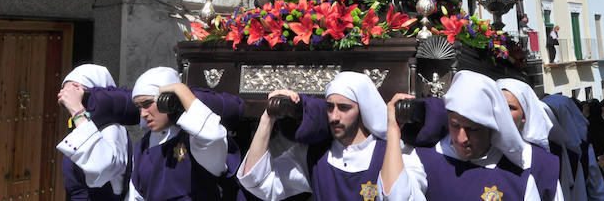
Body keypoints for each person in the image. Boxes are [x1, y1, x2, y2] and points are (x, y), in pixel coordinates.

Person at [238, 71, 409, 200]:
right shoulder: (315, 153)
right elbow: (257, 181)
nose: (334, 117)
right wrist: (268, 118)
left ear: (362, 109)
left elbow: (399, 196)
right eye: (329, 107)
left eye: (344, 107)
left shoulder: (391, 152)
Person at [379, 70, 542, 201]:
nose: (461, 138)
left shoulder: (518, 176)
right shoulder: (423, 159)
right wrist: (393, 130)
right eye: (455, 125)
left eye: (472, 129)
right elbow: (395, 196)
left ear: (491, 127)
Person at [129, 67, 230, 200]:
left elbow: (213, 134)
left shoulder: (194, 139)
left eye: (147, 103)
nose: (143, 114)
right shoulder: (142, 147)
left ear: (168, 100)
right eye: (139, 107)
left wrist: (181, 91)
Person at [57, 64, 130, 200]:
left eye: (75, 89)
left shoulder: (111, 128)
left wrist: (78, 112)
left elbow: (100, 167)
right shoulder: (85, 127)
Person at [497, 78, 564, 201]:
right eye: (498, 105)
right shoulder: (474, 153)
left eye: (511, 107)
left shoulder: (542, 161)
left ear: (524, 116)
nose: (503, 112)